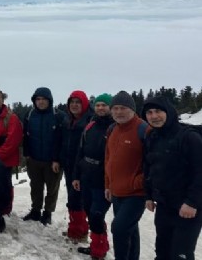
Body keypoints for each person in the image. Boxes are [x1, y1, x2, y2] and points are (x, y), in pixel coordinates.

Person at [142, 96, 202, 260]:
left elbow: (200, 172)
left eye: (158, 111)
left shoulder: (189, 137)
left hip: (187, 209)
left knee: (180, 254)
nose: (154, 116)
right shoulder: (152, 137)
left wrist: (192, 202)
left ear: (169, 111)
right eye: (149, 112)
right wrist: (148, 194)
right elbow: (148, 167)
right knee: (162, 251)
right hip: (164, 205)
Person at [105, 91, 148, 260]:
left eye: (123, 108)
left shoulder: (143, 129)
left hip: (136, 193)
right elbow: (108, 158)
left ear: (132, 109)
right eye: (115, 108)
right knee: (130, 229)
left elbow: (152, 162)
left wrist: (138, 182)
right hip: (116, 192)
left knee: (119, 228)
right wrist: (108, 184)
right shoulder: (112, 129)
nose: (118, 112)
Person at [73, 93, 114, 259]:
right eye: (98, 105)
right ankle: (97, 244)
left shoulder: (114, 127)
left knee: (97, 213)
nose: (101, 108)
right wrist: (76, 176)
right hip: (86, 175)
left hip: (103, 177)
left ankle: (99, 249)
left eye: (104, 105)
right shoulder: (90, 125)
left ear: (110, 107)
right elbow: (80, 152)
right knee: (90, 211)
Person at [22, 87, 65, 225]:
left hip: (52, 161)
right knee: (35, 187)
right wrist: (27, 155)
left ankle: (47, 213)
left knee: (52, 188)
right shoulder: (29, 115)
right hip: (34, 159)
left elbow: (62, 140)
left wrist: (57, 159)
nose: (40, 102)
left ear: (49, 100)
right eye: (38, 99)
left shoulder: (58, 115)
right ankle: (35, 210)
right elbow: (25, 136)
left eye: (43, 99)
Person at [61, 90, 94, 242]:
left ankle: (81, 231)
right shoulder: (68, 120)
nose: (74, 105)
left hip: (83, 166)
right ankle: (74, 228)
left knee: (80, 198)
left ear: (84, 103)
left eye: (78, 102)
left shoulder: (90, 120)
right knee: (72, 197)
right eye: (72, 102)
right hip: (69, 165)